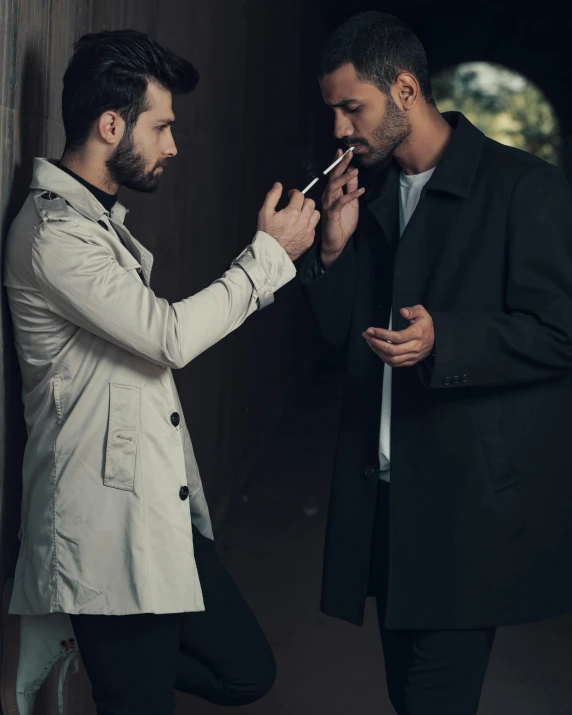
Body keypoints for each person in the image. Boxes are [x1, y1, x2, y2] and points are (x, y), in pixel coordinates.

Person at [1, 29, 319, 715]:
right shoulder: (54, 236)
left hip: (154, 519)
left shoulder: (92, 226)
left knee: (248, 669)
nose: (173, 146)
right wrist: (267, 256)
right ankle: (109, 652)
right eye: (162, 126)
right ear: (110, 124)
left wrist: (293, 254)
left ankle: (110, 661)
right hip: (106, 543)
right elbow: (167, 336)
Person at [299, 10, 572, 715]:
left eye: (351, 108)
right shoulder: (371, 197)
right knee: (410, 698)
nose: (339, 130)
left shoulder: (523, 188)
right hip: (388, 508)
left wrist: (444, 340)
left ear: (406, 89)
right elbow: (334, 342)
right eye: (332, 111)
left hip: (463, 519)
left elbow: (561, 331)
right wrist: (330, 248)